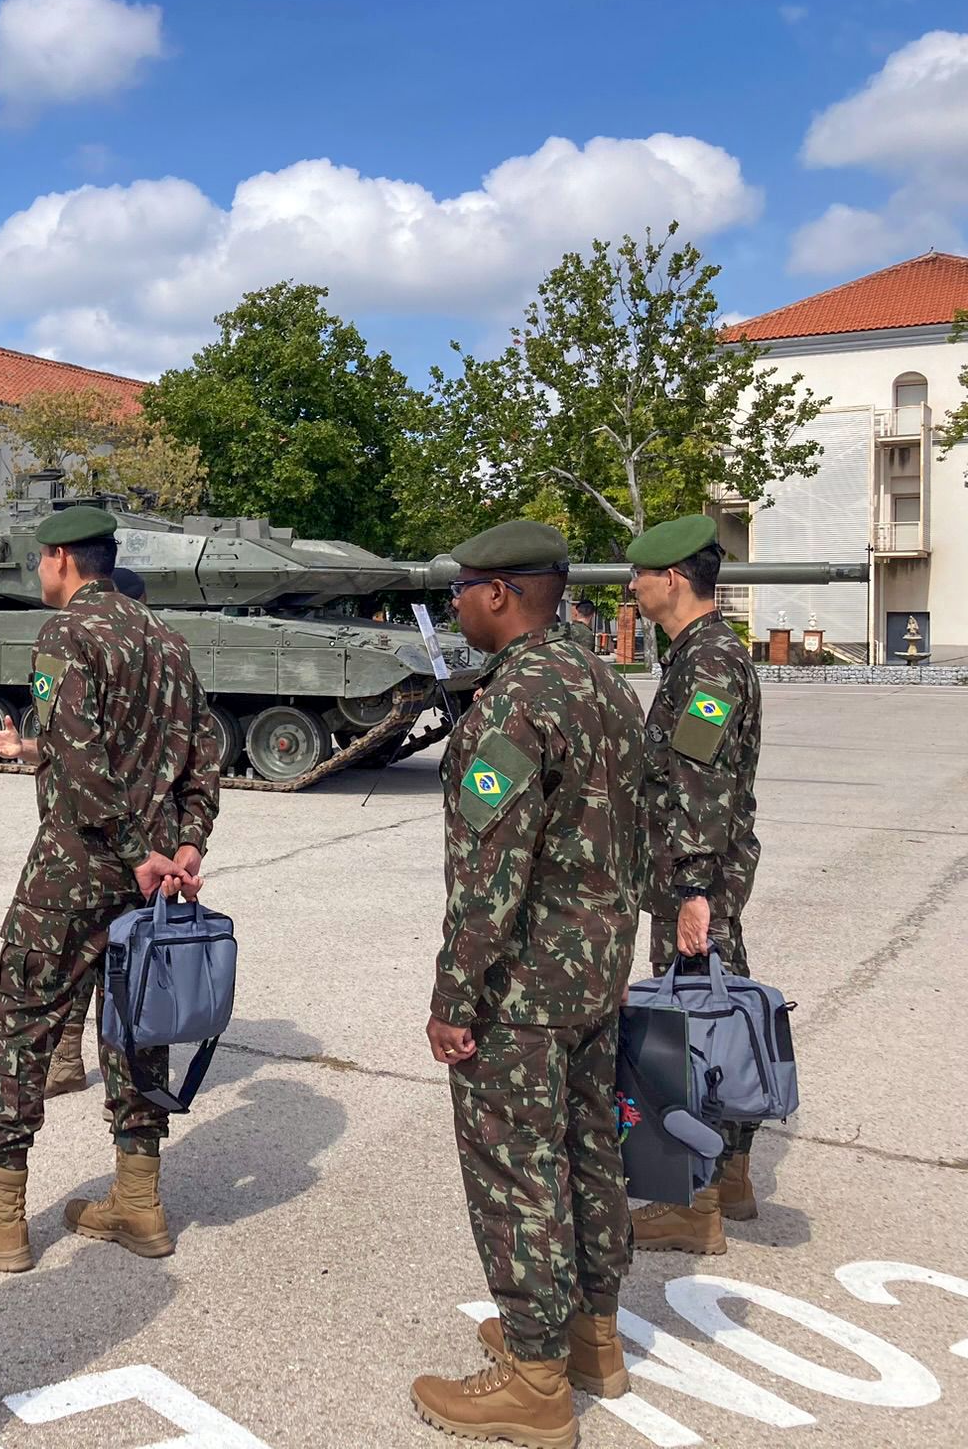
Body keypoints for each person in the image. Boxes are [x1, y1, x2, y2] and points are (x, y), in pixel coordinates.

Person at [0, 509, 219, 1273]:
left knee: (21, 1021)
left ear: (59, 560)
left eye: (40, 561)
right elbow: (202, 757)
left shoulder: (68, 635)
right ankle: (139, 1202)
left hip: (77, 867)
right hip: (151, 880)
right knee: (138, 1026)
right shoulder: (167, 642)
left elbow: (79, 763)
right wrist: (183, 845)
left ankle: (1, 1216)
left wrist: (130, 849)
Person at [411, 520, 647, 1446]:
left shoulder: (514, 705)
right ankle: (592, 1337)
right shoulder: (602, 681)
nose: (457, 605)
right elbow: (634, 831)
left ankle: (535, 1379)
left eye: (462, 589)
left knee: (516, 1168)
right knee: (590, 1153)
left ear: (499, 593)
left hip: (525, 990)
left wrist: (452, 998)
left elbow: (488, 872)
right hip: (594, 978)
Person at [623, 514, 765, 1255]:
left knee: (692, 1033)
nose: (633, 585)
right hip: (701, 872)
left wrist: (692, 890)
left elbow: (698, 782)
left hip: (697, 875)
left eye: (641, 573)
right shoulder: (698, 654)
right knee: (718, 1011)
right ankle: (731, 1176)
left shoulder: (707, 662)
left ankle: (695, 1200)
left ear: (672, 577)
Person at [0, 563, 150, 1100]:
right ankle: (71, 1060)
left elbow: (92, 756)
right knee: (107, 962)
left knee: (82, 963)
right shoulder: (160, 653)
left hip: (98, 847)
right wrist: (24, 749)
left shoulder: (77, 638)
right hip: (144, 851)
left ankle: (68, 1062)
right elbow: (81, 748)